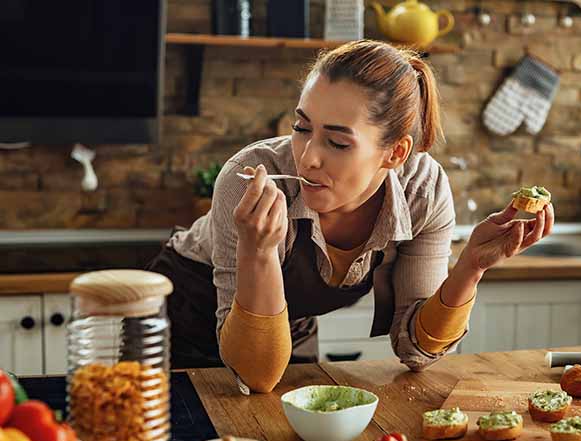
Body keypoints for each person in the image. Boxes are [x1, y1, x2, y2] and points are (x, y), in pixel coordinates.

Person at [148, 40, 555, 393]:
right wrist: (257, 252)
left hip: (287, 323)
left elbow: (416, 350)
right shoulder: (251, 178)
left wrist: (469, 268)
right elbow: (253, 374)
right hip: (188, 314)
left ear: (395, 153)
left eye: (338, 142)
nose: (307, 158)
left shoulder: (422, 193)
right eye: (301, 127)